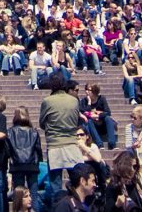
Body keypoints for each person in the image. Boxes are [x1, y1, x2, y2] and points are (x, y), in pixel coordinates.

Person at [39, 74, 85, 207]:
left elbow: (42, 123)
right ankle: (79, 207)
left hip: (55, 145)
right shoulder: (74, 101)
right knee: (77, 182)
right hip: (71, 143)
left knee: (55, 186)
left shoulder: (47, 101)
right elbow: (77, 120)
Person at [8, 106, 44, 211]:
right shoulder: (33, 132)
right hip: (32, 164)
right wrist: (39, 161)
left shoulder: (10, 132)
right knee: (33, 194)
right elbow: (38, 149)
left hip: (17, 164)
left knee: (18, 195)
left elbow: (7, 150)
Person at [79, 83, 117, 150]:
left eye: (88, 90)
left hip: (102, 125)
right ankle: (99, 144)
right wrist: (89, 103)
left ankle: (112, 144)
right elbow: (83, 112)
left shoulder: (101, 99)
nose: (86, 91)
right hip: (92, 127)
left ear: (94, 91)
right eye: (86, 89)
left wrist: (98, 116)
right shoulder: (83, 101)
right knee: (89, 121)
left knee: (108, 118)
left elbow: (108, 112)